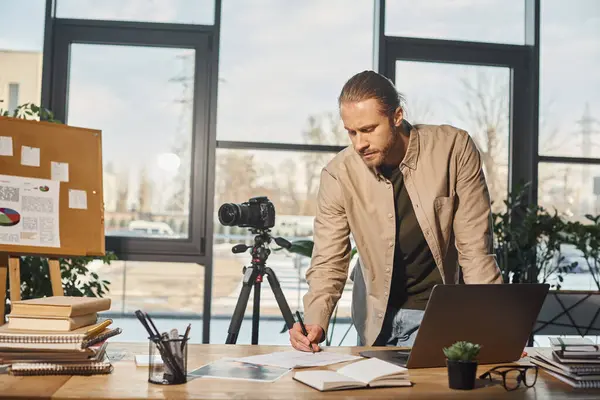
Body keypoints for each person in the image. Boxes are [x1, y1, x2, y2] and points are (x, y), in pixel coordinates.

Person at [289, 70, 503, 353]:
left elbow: (475, 250)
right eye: (351, 132)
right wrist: (315, 320)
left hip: (434, 316)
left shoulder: (453, 148)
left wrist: (496, 328)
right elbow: (329, 260)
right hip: (374, 319)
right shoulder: (338, 175)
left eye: (368, 130)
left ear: (397, 116)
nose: (359, 144)